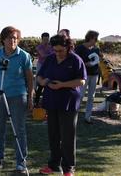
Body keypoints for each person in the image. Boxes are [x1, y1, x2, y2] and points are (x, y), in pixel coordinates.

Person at [0, 26, 33, 173]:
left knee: (19, 130)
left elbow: (30, 78)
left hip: (18, 95)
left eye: (16, 38)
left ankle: (21, 162)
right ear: (3, 39)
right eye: (10, 38)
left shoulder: (24, 56)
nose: (13, 41)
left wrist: (30, 96)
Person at [36, 34, 86, 176]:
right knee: (53, 135)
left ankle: (69, 168)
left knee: (67, 136)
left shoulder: (76, 60)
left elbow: (81, 81)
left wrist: (63, 85)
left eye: (61, 51)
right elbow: (39, 76)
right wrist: (43, 82)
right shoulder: (50, 59)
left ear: (68, 47)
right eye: (55, 50)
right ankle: (53, 165)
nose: (58, 53)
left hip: (69, 102)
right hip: (51, 101)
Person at [75, 30, 101, 124]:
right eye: (95, 38)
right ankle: (74, 116)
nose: (96, 40)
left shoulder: (96, 49)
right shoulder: (79, 48)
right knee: (80, 95)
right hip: (83, 75)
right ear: (90, 38)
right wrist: (86, 64)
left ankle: (88, 117)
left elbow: (97, 61)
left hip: (94, 75)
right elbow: (76, 62)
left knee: (91, 97)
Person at [34, 32, 53, 106]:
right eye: (44, 39)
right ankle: (36, 101)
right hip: (41, 65)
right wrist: (51, 54)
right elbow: (43, 55)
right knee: (39, 83)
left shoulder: (51, 46)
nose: (46, 41)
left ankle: (45, 102)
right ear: (42, 39)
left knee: (47, 84)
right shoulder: (39, 47)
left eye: (47, 39)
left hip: (49, 66)